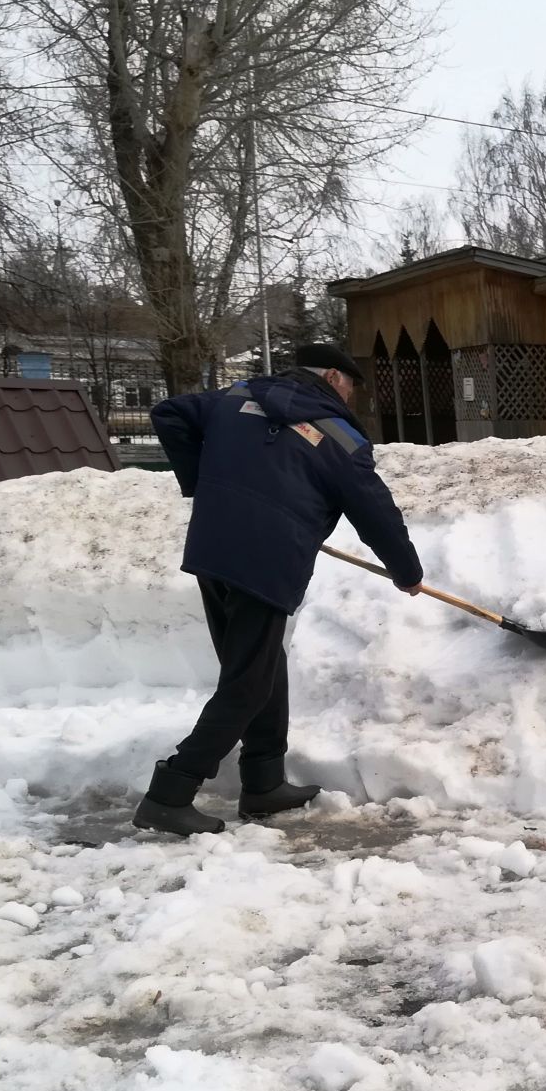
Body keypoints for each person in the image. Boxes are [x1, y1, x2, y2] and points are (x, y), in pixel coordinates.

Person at [134, 344, 424, 837]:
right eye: (351, 386)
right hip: (266, 561)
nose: (350, 398)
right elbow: (375, 510)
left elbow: (170, 414)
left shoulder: (234, 398)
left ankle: (264, 783)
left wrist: (206, 487)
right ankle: (170, 792)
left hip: (214, 548)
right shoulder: (337, 435)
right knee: (248, 681)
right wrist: (407, 571)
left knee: (261, 666)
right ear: (334, 376)